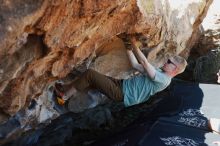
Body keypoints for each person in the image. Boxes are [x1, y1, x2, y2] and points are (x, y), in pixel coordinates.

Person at [54, 35, 187, 107]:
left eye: (169, 62)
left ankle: (64, 97)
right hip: (121, 85)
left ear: (174, 69)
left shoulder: (164, 80)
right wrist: (128, 48)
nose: (166, 62)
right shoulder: (160, 73)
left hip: (122, 94)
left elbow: (145, 63)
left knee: (90, 75)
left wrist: (134, 44)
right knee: (93, 81)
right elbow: (136, 65)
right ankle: (65, 88)